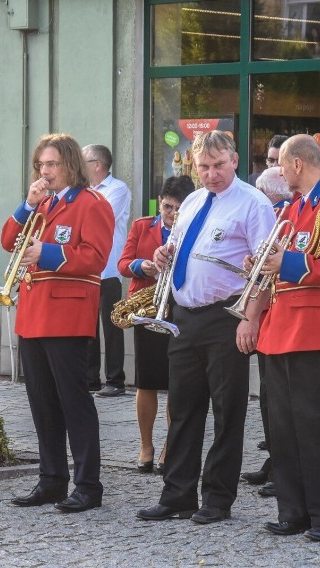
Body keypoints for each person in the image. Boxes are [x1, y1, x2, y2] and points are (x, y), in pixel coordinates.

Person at [136, 131, 275, 525]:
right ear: (193, 167)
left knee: (226, 412)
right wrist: (165, 253)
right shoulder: (194, 200)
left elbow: (266, 268)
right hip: (185, 316)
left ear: (234, 159)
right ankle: (177, 493)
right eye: (203, 167)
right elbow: (180, 247)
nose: (211, 174)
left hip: (224, 316)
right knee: (182, 409)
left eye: (218, 165)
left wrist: (251, 317)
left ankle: (217, 498)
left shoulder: (254, 203)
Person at [254, 134, 320, 542]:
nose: (279, 172)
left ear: (297, 164)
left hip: (312, 325)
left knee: (314, 423)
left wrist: (287, 263)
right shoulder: (294, 208)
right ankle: (293, 510)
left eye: (281, 163)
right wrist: (263, 262)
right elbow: (284, 259)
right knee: (282, 425)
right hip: (282, 325)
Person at [6, 133, 114, 512]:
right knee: (41, 402)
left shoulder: (92, 204)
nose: (45, 171)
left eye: (51, 164)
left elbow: (95, 257)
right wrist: (26, 205)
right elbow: (7, 240)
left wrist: (47, 252)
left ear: (70, 164)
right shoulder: (41, 204)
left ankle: (88, 485)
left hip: (67, 314)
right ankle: (51, 480)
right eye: (40, 165)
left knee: (74, 402)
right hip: (33, 313)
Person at [118, 175, 194, 473]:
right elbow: (123, 263)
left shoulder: (191, 229)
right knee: (146, 382)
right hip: (148, 307)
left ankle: (169, 447)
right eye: (166, 207)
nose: (171, 214)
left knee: (177, 384)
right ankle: (146, 444)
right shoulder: (141, 226)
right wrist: (143, 265)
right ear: (159, 203)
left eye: (177, 208)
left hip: (179, 308)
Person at [239, 165, 294, 499]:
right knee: (269, 398)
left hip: (277, 311)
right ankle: (275, 459)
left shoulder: (280, 214)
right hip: (266, 310)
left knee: (280, 399)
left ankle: (283, 465)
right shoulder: (276, 212)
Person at [83, 144, 131, 397]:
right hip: (88, 270)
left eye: (84, 161)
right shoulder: (84, 192)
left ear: (97, 164)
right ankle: (91, 379)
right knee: (88, 327)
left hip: (109, 268)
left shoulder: (117, 189)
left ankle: (115, 380)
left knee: (112, 326)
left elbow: (98, 218)